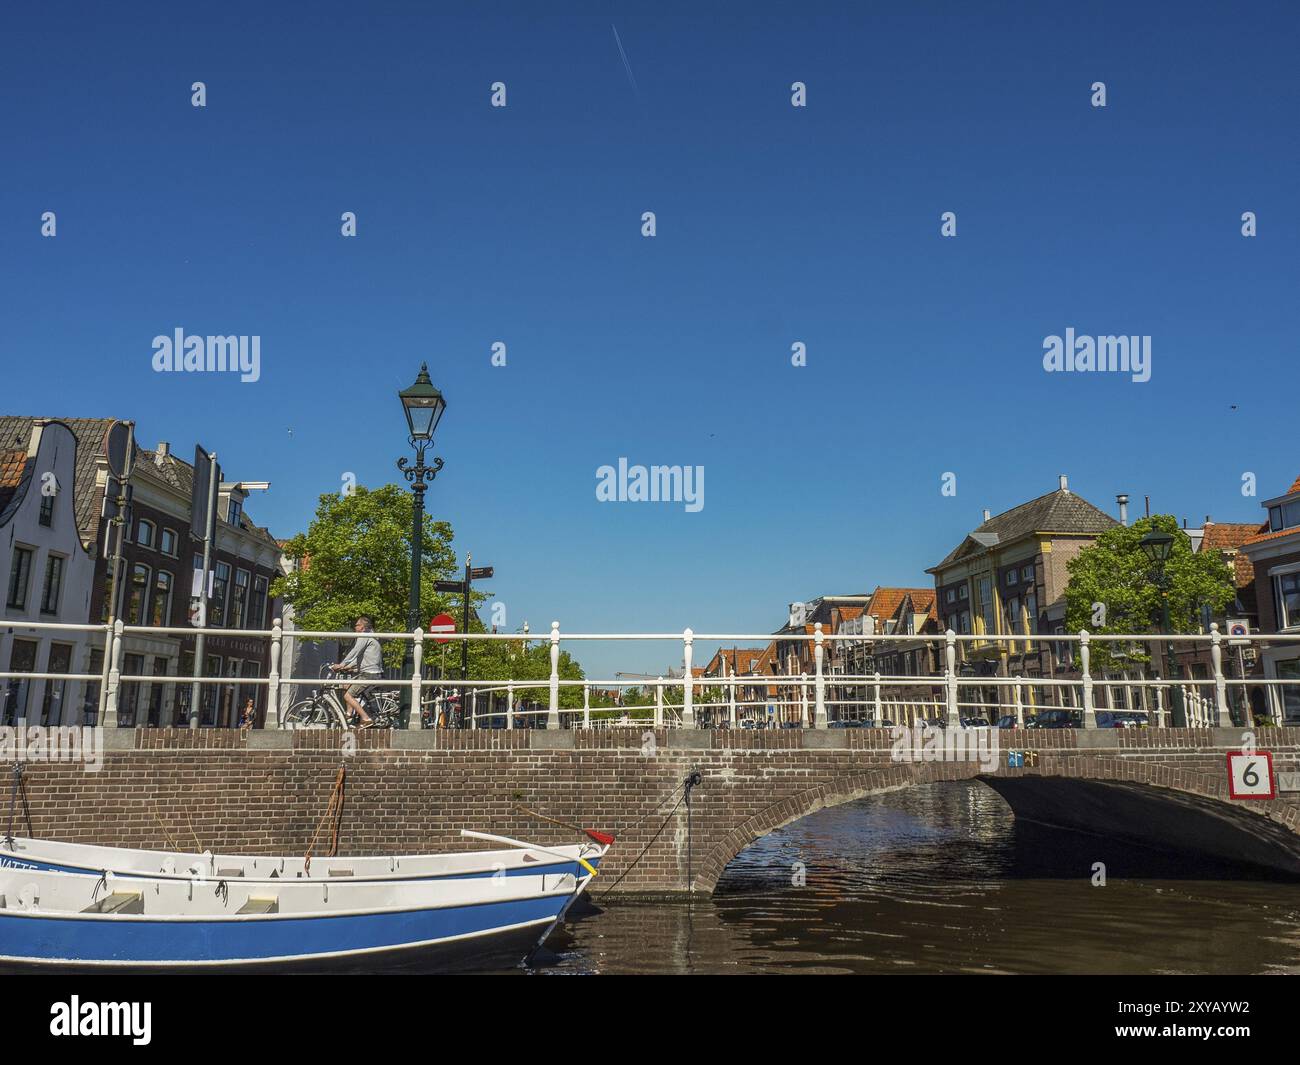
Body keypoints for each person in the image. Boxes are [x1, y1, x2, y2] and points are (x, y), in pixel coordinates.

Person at [330, 616, 383, 727]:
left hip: (369, 674)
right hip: (370, 672)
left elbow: (355, 651)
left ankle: (366, 718)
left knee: (348, 696)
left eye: (357, 625)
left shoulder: (364, 635)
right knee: (346, 685)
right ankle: (349, 714)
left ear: (362, 627)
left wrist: (342, 664)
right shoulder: (371, 636)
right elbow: (362, 657)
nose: (355, 627)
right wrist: (348, 666)